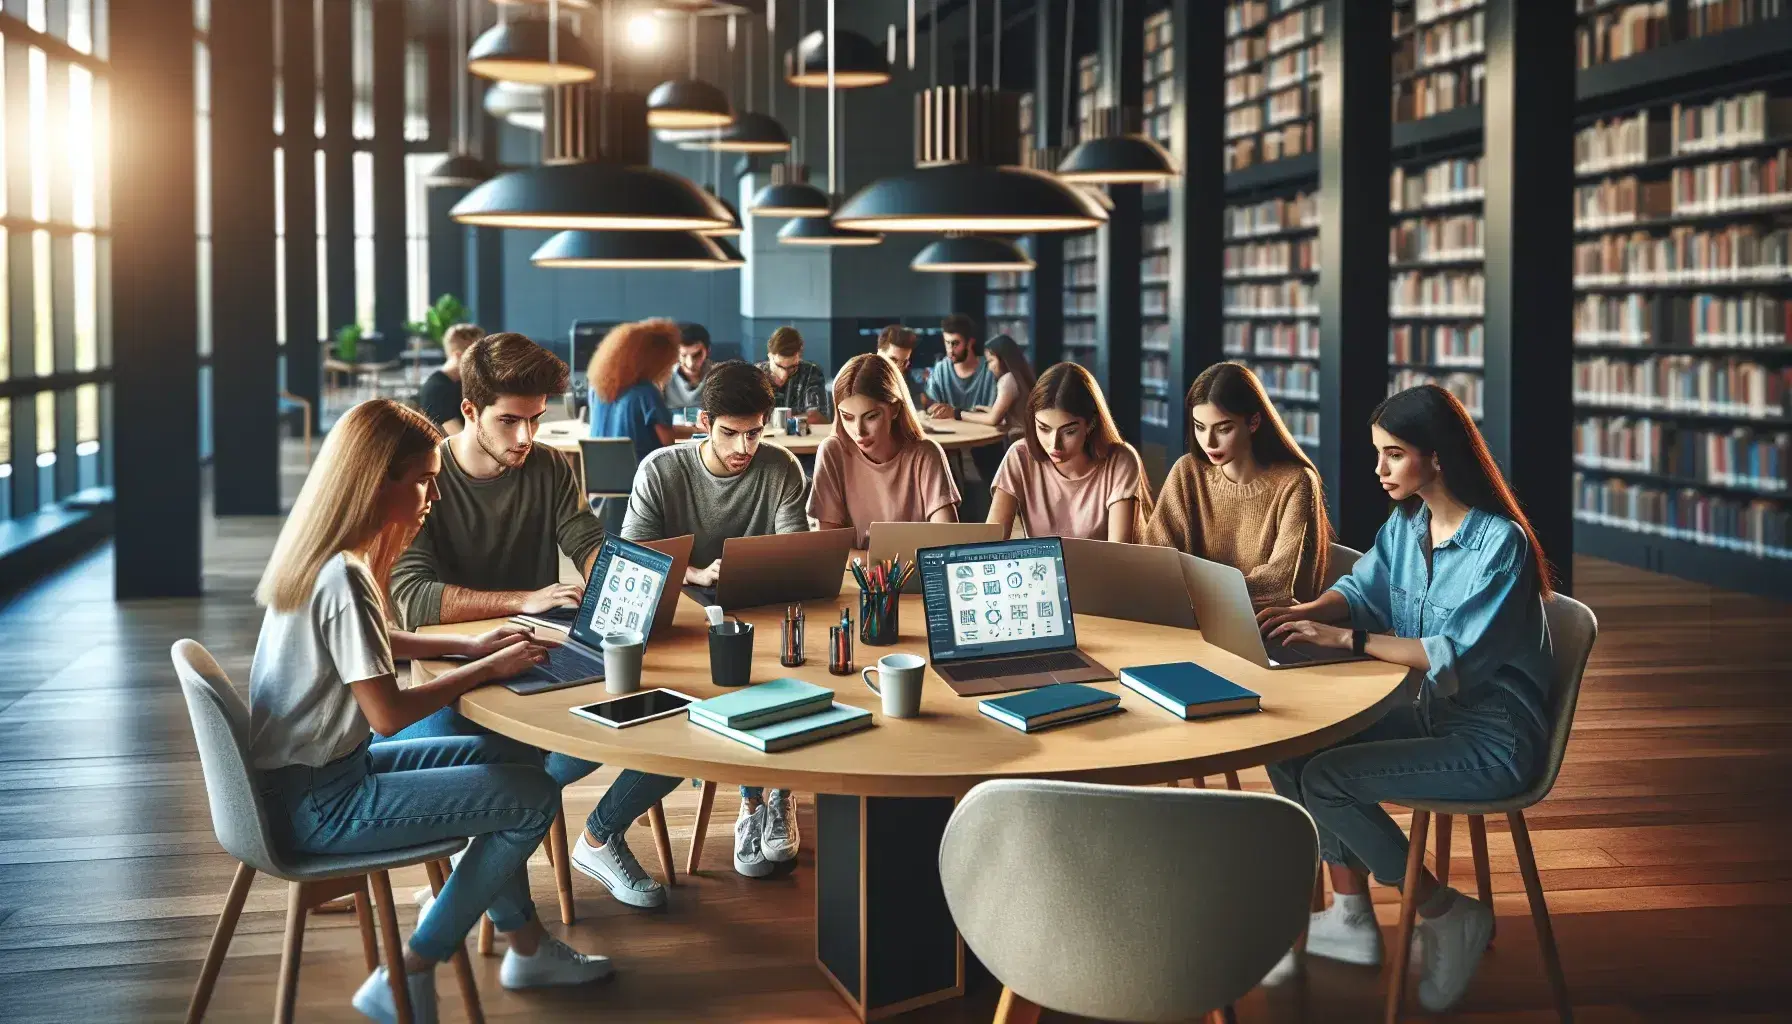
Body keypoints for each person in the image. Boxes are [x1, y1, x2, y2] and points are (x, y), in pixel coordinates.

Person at [250, 399, 612, 1021]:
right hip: (323, 805)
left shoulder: (324, 555)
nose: (431, 495)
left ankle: (523, 943)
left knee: (509, 757)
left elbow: (372, 644)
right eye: (421, 480)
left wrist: (465, 643)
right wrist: (487, 669)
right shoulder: (347, 577)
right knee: (533, 799)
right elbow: (388, 714)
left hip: (308, 782)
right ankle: (412, 968)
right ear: (374, 482)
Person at [1256, 384, 1557, 1012]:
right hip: (1435, 716)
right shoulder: (1407, 523)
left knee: (1331, 777)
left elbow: (1456, 655)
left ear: (1438, 457)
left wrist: (1345, 638)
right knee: (1291, 748)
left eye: (1393, 454)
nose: (1379, 469)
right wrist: (1308, 612)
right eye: (1378, 453)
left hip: (1496, 741)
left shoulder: (1499, 545)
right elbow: (1364, 590)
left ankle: (1444, 912)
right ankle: (1352, 915)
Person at [389, 332, 683, 912]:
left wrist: (622, 588)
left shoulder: (549, 467)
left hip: (539, 665)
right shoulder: (427, 478)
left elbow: (587, 542)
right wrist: (522, 600)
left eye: (537, 419)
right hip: (460, 681)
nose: (526, 437)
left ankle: (594, 837)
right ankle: (487, 878)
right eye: (509, 421)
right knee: (520, 770)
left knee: (665, 720)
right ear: (469, 411)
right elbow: (415, 600)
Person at [620, 360, 809, 880]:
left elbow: (793, 557)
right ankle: (752, 799)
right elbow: (635, 562)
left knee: (786, 654)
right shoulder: (661, 469)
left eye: (755, 433)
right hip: (686, 617)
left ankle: (776, 793)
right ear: (703, 421)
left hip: (760, 612)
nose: (744, 448)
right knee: (738, 663)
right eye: (730, 433)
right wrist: (698, 574)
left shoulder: (782, 468)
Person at [1144, 361, 1329, 610]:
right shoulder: (1187, 471)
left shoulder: (1296, 482)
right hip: (1189, 620)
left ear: (1253, 422)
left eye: (1224, 428)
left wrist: (1191, 588)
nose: (1209, 441)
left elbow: (1276, 586)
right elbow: (1155, 561)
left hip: (1268, 629)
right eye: (1200, 427)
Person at [810, 352, 961, 548]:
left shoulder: (926, 454)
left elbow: (948, 545)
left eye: (871, 416)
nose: (859, 431)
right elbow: (829, 549)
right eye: (847, 417)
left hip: (916, 576)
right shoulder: (832, 452)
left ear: (895, 409)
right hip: (853, 578)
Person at [989, 362, 1152, 543]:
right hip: (1043, 569)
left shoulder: (1120, 461)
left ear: (1090, 424)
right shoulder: (1019, 456)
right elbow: (991, 543)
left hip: (1104, 569)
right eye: (1043, 428)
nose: (1054, 445)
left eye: (1069, 432)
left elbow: (1119, 552)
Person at [587, 318, 680, 463]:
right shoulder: (646, 394)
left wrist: (694, 430)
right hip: (642, 480)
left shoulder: (597, 391)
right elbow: (668, 445)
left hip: (601, 478)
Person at [951, 334, 1035, 439]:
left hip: (1019, 442)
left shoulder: (1008, 380)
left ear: (1003, 359)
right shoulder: (1019, 376)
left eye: (991, 361)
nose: (990, 368)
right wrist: (986, 409)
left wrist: (957, 414)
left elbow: (993, 419)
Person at [415, 323, 486, 435]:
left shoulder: (462, 384)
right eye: (477, 355)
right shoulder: (437, 390)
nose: (482, 361)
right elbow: (459, 438)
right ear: (458, 355)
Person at [923, 313, 996, 418]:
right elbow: (930, 404)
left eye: (955, 343)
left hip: (983, 432)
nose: (950, 350)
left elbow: (995, 413)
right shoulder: (941, 369)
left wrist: (955, 413)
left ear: (970, 343)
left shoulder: (990, 369)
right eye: (947, 343)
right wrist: (933, 408)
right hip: (949, 432)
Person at [761, 325, 831, 423]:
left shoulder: (811, 373)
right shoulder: (755, 375)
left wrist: (778, 421)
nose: (784, 375)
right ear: (769, 355)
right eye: (779, 366)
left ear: (799, 357)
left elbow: (817, 417)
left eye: (792, 367)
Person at [874, 323, 927, 409]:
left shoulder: (905, 374)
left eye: (904, 362)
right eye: (893, 360)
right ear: (879, 354)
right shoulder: (861, 380)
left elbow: (919, 401)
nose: (897, 368)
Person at [662, 322, 711, 411]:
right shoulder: (663, 378)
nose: (690, 364)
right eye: (683, 355)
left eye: (697, 355)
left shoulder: (719, 376)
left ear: (707, 351)